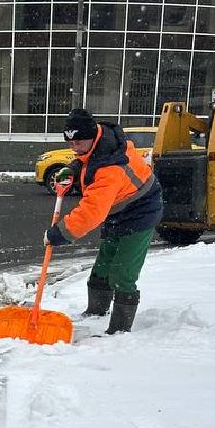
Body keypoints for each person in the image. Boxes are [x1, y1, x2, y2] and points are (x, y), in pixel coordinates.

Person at [45, 108, 163, 335]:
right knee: (103, 266)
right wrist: (72, 168)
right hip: (118, 210)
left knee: (122, 272)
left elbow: (91, 212)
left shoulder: (110, 169)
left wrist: (60, 233)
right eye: (71, 144)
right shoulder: (101, 144)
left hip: (140, 211)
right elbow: (87, 160)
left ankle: (119, 331)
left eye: (79, 143)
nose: (75, 149)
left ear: (93, 136)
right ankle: (95, 312)